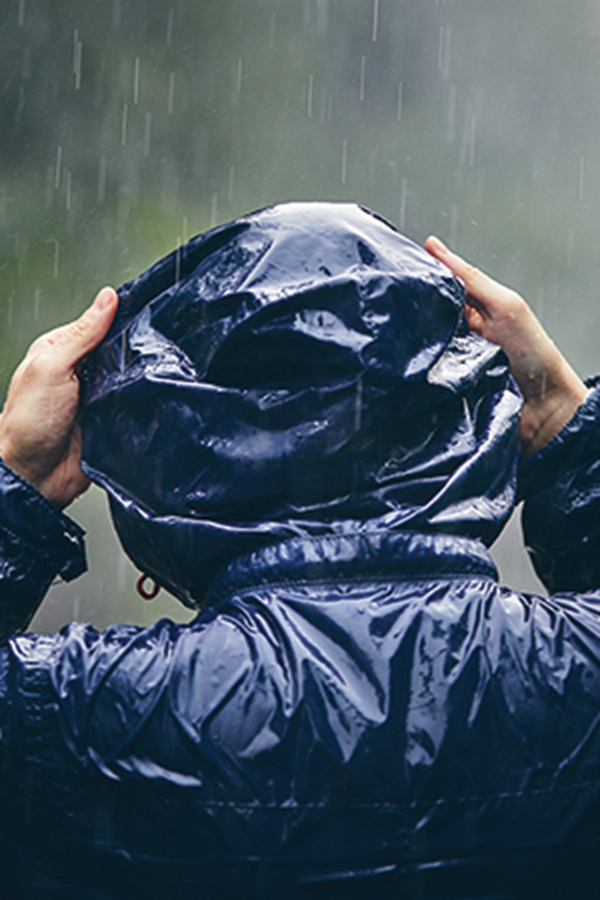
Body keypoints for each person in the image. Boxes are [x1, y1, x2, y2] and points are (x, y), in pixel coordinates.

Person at [0, 202, 599, 900]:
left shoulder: (80, 717)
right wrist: (567, 425)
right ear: (466, 424)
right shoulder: (579, 677)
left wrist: (18, 480)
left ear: (172, 452)